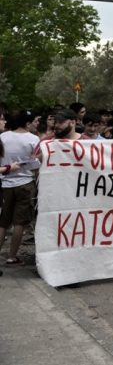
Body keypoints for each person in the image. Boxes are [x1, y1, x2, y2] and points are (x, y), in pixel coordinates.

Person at [0, 110, 41, 265]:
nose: (36, 125)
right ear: (28, 123)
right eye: (34, 122)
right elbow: (36, 164)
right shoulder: (34, 139)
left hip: (5, 183)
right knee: (19, 223)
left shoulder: (3, 137)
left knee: (3, 222)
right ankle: (11, 256)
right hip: (25, 183)